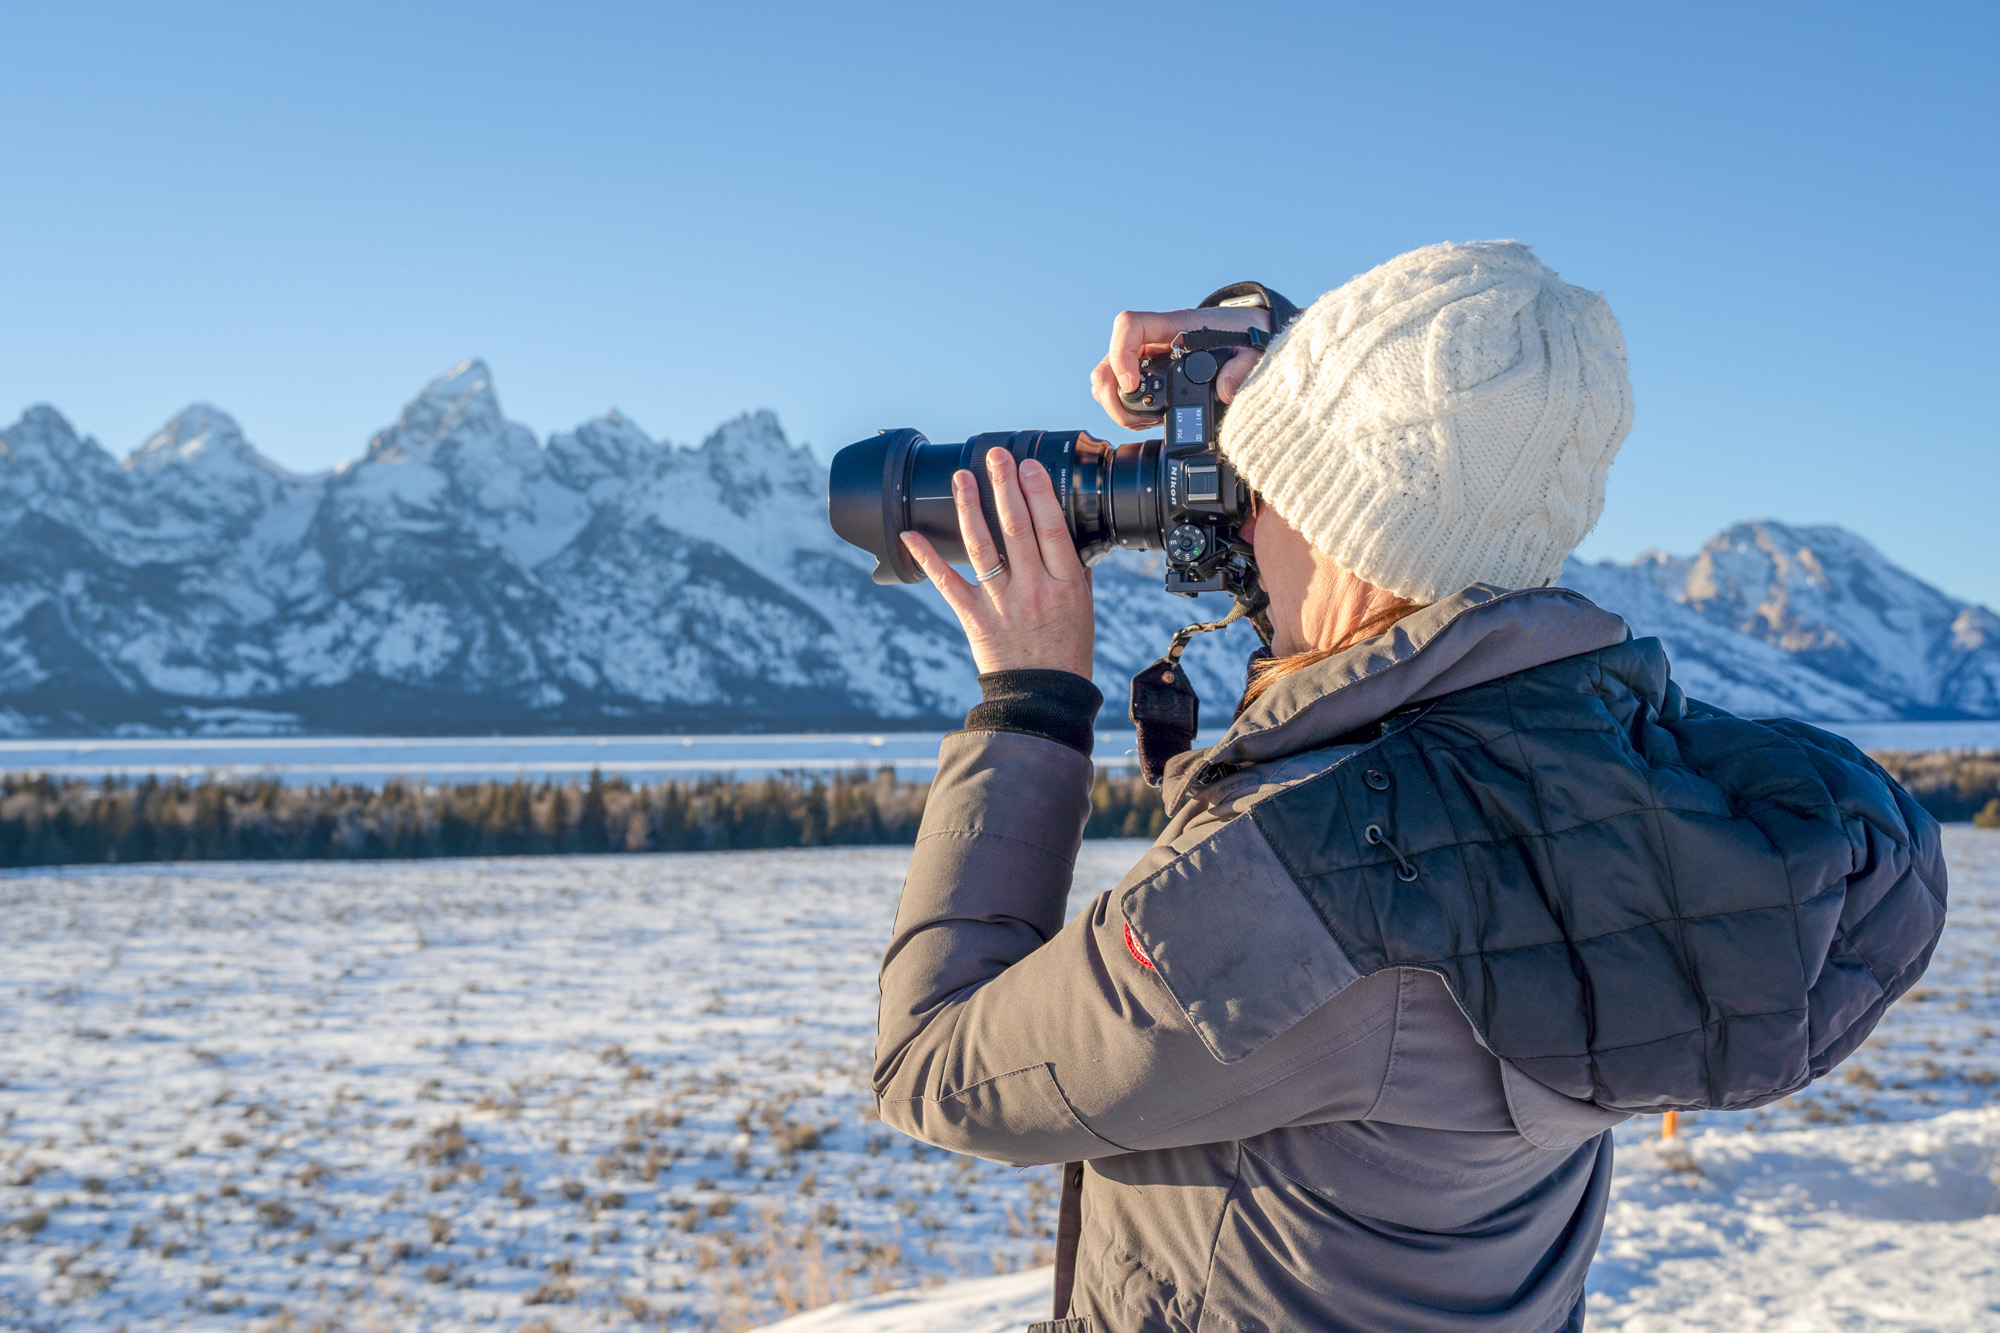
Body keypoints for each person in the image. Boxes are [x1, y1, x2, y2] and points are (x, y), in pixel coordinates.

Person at [872, 241, 1947, 1332]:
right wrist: (1284, 370)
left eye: (1259, 487)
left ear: (1345, 535)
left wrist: (1031, 702)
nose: (1233, 517)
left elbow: (932, 1066)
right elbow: (1398, 598)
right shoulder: (1600, 786)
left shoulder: (1315, 871)